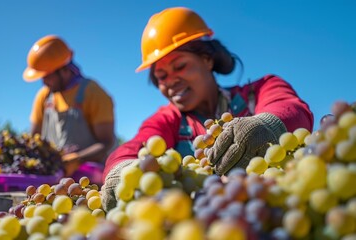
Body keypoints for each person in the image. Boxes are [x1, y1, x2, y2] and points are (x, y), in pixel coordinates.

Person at [101, 7, 313, 210]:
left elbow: (290, 108)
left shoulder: (260, 90)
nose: (172, 81)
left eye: (180, 66)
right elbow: (134, 147)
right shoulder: (168, 119)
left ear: (207, 60)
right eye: (162, 76)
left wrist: (267, 125)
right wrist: (122, 170)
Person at [23, 35, 117, 178]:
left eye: (47, 76)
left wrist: (78, 158)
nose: (44, 82)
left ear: (63, 70)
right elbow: (34, 141)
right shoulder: (43, 97)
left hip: (90, 180)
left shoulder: (93, 93)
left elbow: (106, 143)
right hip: (54, 179)